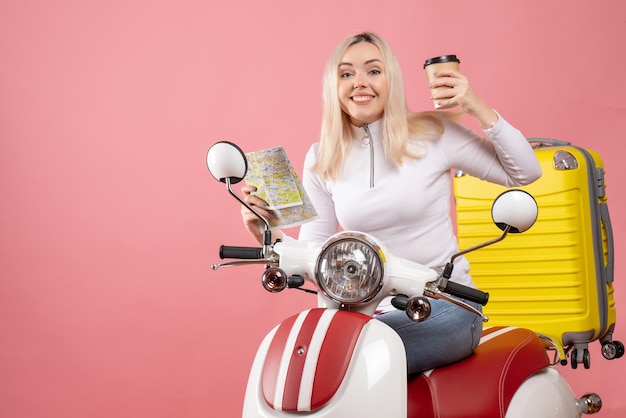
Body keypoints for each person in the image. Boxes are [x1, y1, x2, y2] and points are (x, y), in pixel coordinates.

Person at [239, 32, 542, 374]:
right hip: (366, 313)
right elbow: (313, 257)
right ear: (332, 86)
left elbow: (525, 172)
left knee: (353, 356)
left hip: (445, 305)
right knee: (304, 355)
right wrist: (267, 230)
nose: (359, 83)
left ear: (391, 81)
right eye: (346, 73)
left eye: (373, 71)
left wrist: (475, 105)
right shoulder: (321, 157)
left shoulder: (434, 133)